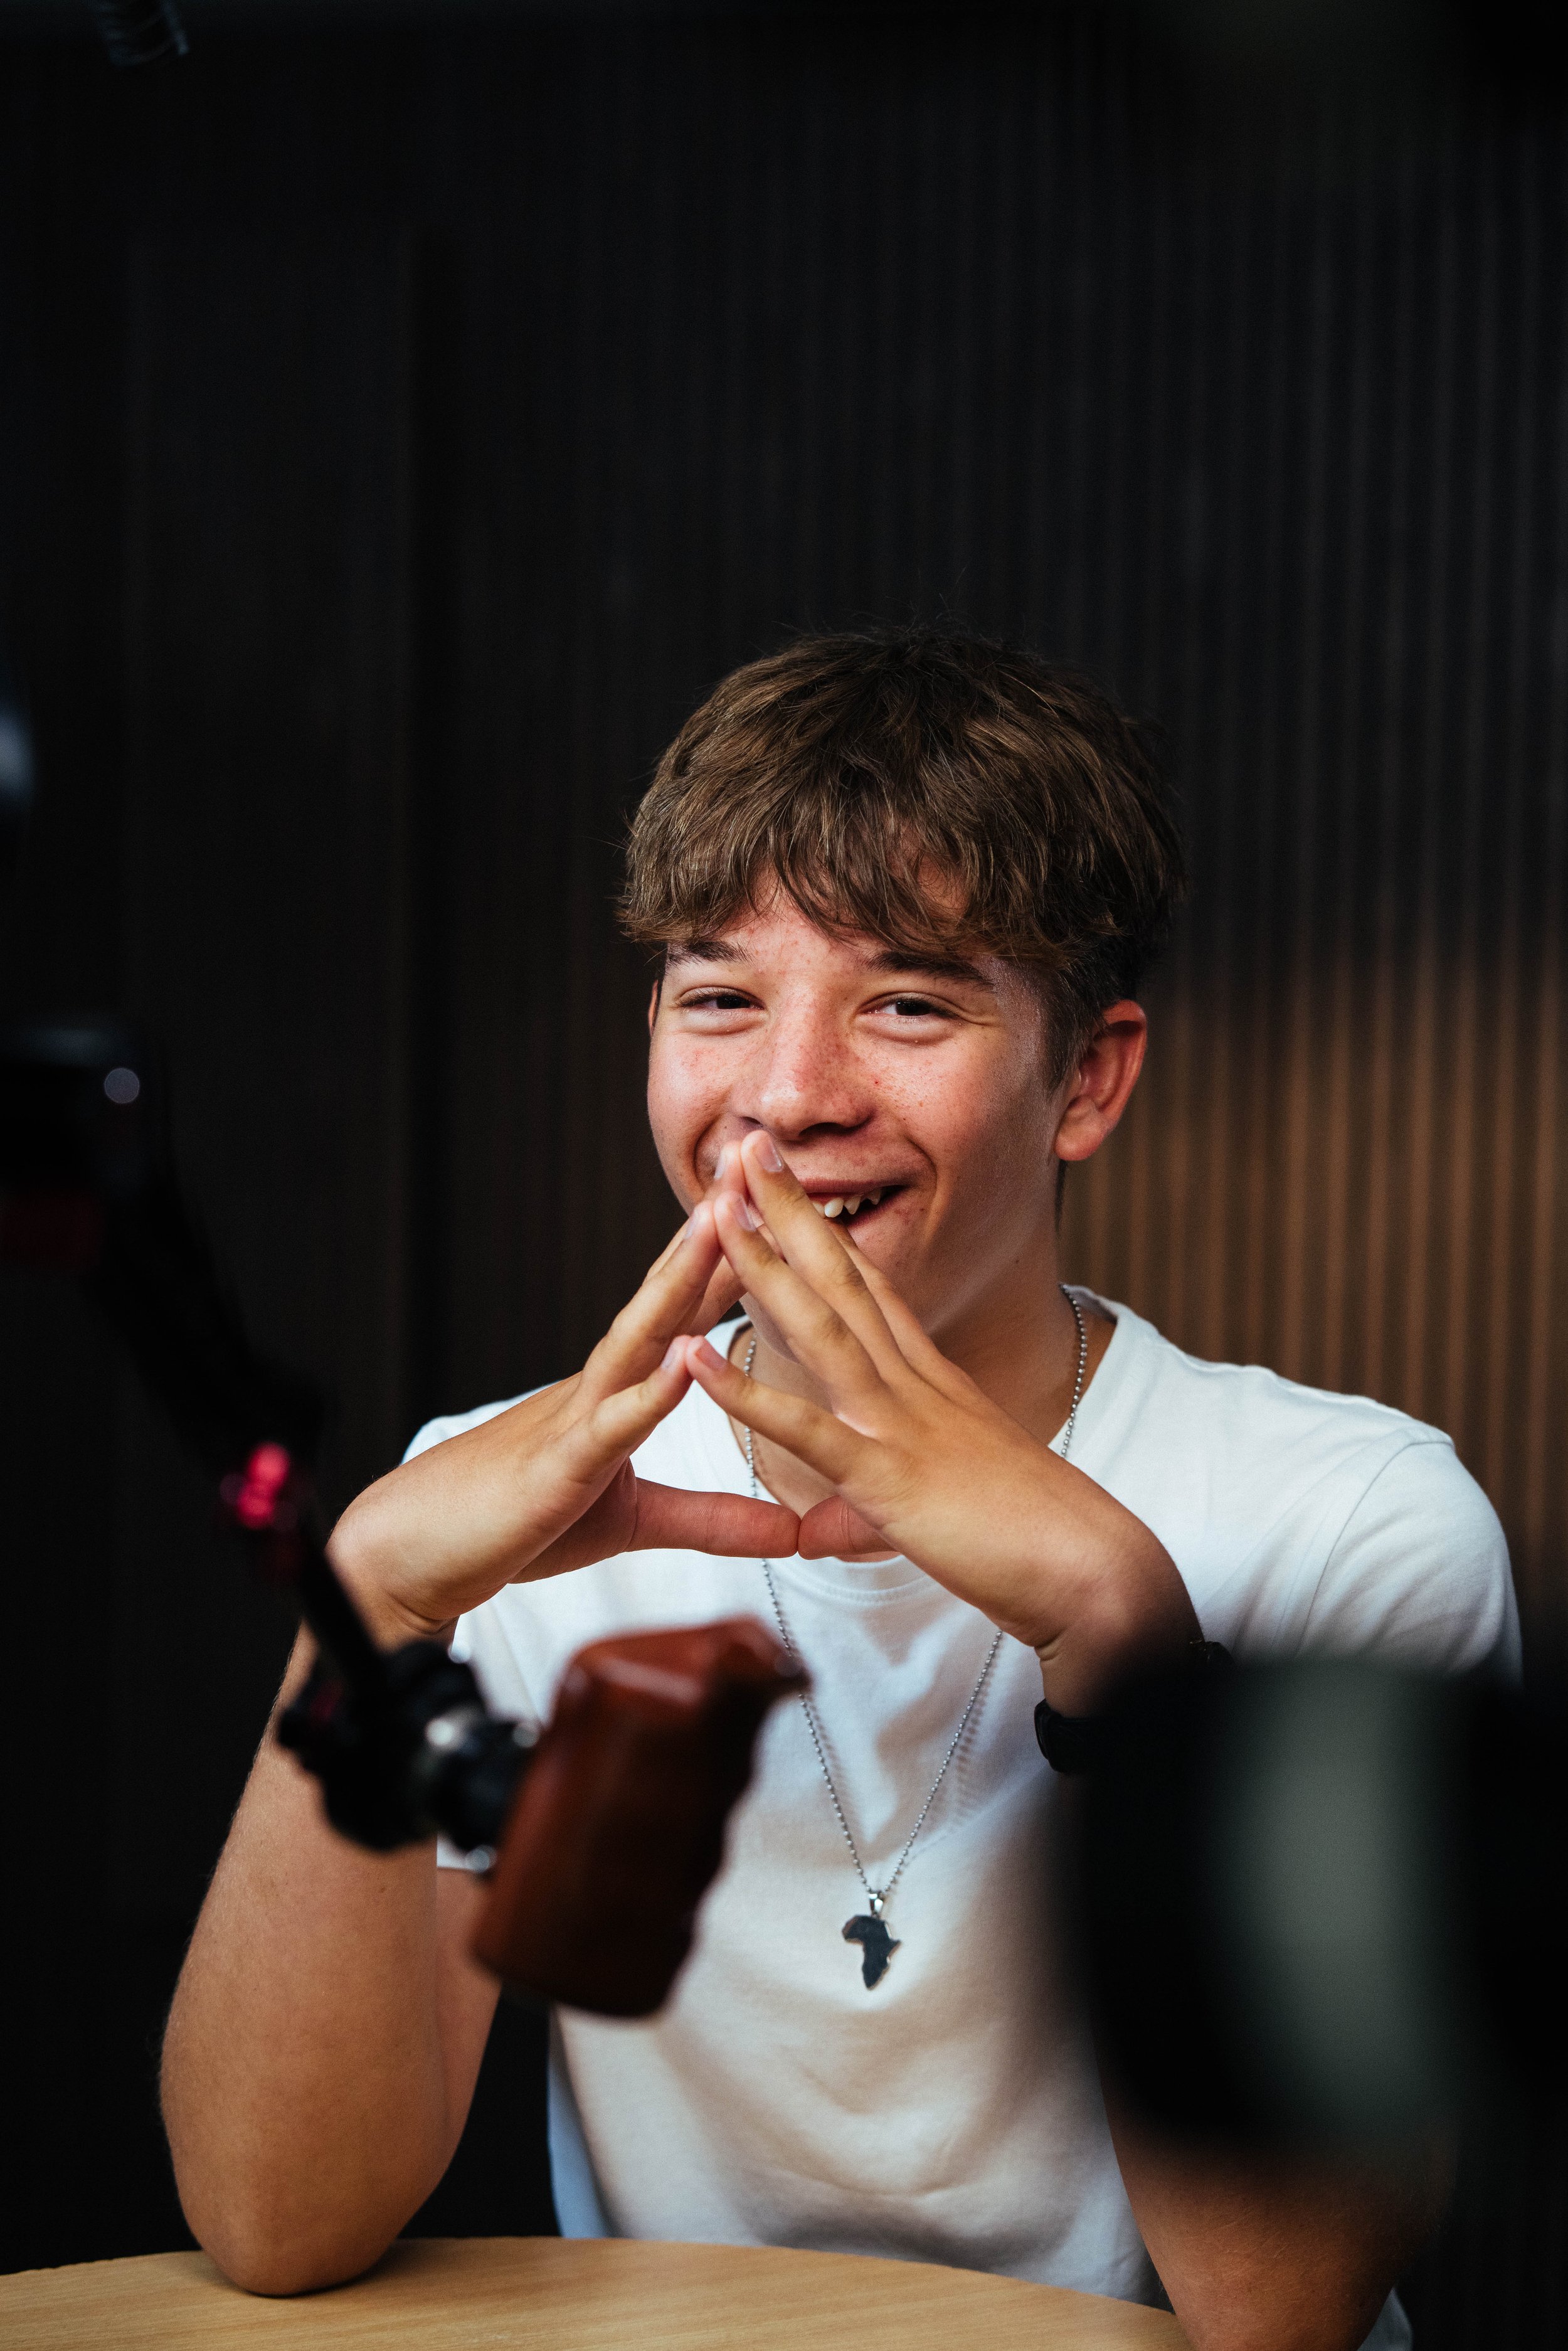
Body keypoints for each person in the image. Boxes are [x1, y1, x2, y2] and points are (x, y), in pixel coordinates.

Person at [161, 627, 1517, 2351]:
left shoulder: (1356, 1520)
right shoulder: (491, 1509)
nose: (784, 1099)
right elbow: (278, 2221)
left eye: (906, 1001)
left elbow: (1282, 2304)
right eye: (718, 996)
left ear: (1085, 1077)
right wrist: (363, 1605)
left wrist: (1119, 1636)